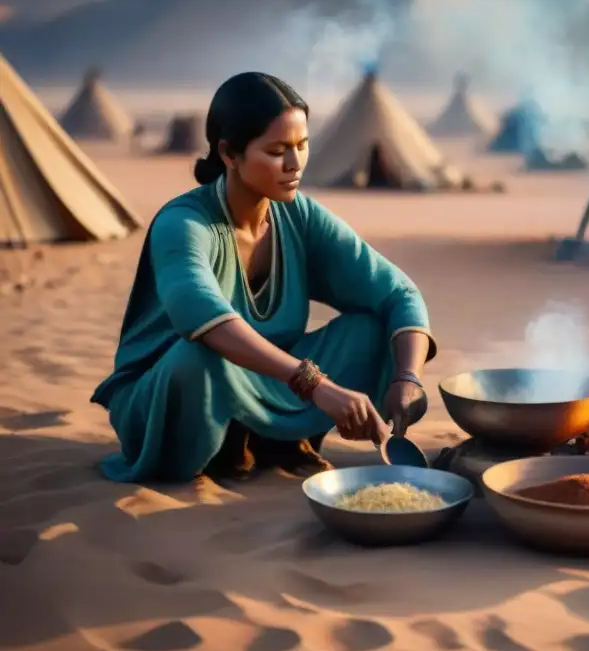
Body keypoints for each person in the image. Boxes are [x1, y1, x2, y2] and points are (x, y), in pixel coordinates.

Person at [91, 72, 436, 483]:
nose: (295, 164)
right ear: (229, 153)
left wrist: (406, 378)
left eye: (302, 146)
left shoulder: (299, 215)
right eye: (277, 151)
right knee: (200, 357)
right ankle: (217, 447)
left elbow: (397, 292)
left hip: (268, 385)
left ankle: (266, 440)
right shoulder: (184, 223)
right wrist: (317, 385)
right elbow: (198, 313)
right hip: (168, 398)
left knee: (373, 329)